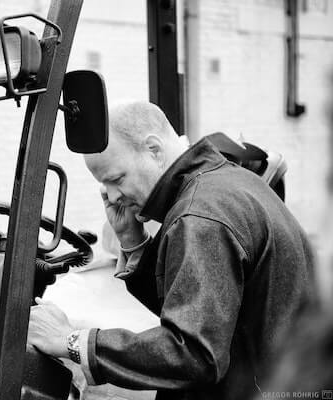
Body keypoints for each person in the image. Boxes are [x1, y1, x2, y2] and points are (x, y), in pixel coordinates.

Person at [27, 101, 315, 399]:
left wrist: (72, 341)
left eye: (116, 179)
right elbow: (197, 308)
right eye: (104, 185)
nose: (113, 196)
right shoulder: (223, 186)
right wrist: (131, 238)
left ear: (154, 150)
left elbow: (194, 355)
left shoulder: (201, 214)